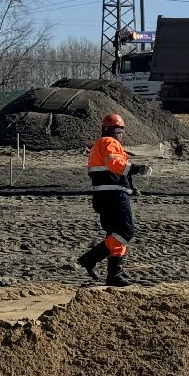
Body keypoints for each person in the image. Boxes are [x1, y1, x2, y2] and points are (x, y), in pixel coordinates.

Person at [76, 113, 150, 287]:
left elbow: (108, 173)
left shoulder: (98, 145)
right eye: (117, 130)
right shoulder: (110, 143)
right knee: (125, 232)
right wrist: (136, 169)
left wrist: (130, 189)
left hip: (104, 196)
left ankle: (114, 276)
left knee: (115, 235)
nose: (119, 133)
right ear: (107, 130)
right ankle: (91, 258)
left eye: (121, 130)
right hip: (113, 197)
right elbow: (114, 165)